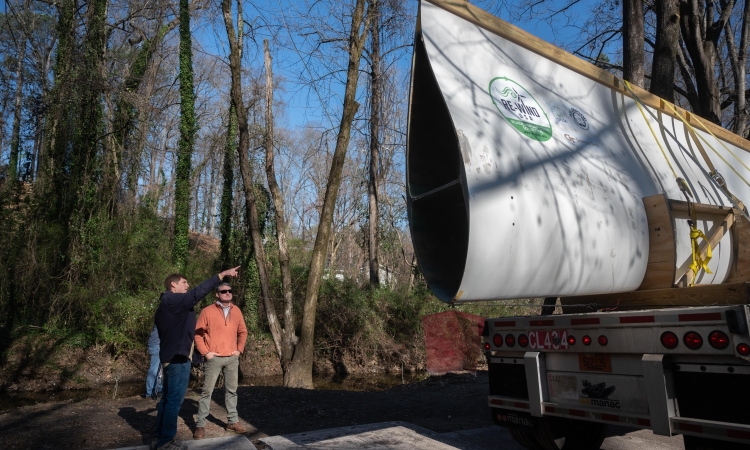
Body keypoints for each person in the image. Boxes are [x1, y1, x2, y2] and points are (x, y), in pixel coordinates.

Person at [152, 266, 240, 450]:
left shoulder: (167, 304)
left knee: (167, 399)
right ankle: (165, 442)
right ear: (173, 285)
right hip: (177, 359)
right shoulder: (173, 300)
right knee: (174, 401)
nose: (187, 285)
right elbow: (196, 293)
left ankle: (159, 438)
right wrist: (221, 275)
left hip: (172, 357)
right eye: (184, 282)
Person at [193, 282, 248, 439]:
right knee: (206, 392)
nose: (227, 293)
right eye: (224, 291)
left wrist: (239, 350)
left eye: (230, 291)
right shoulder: (207, 311)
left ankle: (233, 421)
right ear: (217, 294)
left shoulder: (236, 310)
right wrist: (206, 352)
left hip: (232, 358)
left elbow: (243, 332)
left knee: (232, 391)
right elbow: (197, 334)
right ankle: (200, 425)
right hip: (213, 358)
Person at [145, 324, 162, 398]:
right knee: (154, 370)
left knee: (160, 370)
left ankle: (158, 390)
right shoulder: (163, 316)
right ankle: (149, 393)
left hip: (159, 345)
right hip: (156, 345)